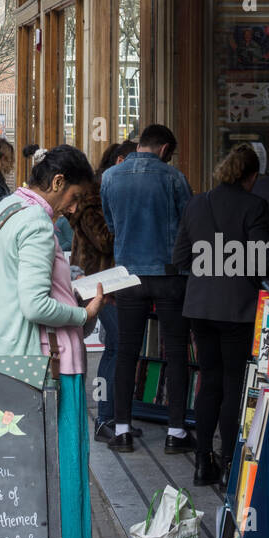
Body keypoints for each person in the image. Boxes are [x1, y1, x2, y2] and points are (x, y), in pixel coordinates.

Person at [0, 144, 105, 538]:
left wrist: (65, 286)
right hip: (45, 365)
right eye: (73, 197)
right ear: (56, 184)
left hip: (11, 359)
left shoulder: (9, 207)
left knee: (25, 481)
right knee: (56, 479)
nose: (74, 208)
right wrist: (82, 312)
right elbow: (35, 304)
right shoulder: (37, 223)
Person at [172, 144, 269, 487]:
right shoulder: (255, 206)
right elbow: (262, 261)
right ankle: (228, 462)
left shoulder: (197, 203)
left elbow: (181, 257)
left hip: (200, 307)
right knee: (234, 384)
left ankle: (202, 463)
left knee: (209, 382)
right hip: (237, 309)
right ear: (251, 176)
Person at [100, 123, 193, 454]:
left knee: (126, 351)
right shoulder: (173, 177)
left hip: (128, 276)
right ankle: (176, 431)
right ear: (166, 149)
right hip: (169, 274)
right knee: (177, 352)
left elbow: (111, 225)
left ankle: (122, 429)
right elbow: (188, 224)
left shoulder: (111, 177)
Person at [72, 139, 138, 442]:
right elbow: (103, 240)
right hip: (98, 283)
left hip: (114, 282)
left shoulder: (106, 194)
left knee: (117, 345)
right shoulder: (92, 198)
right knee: (118, 345)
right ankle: (105, 417)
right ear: (120, 161)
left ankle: (111, 416)